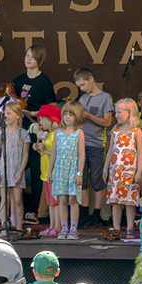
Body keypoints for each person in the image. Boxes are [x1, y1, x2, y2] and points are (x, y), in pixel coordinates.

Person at [73, 68, 113, 231]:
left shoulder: (105, 98)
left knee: (97, 179)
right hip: (81, 142)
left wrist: (89, 116)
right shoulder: (83, 98)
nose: (82, 88)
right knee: (81, 178)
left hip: (96, 143)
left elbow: (107, 122)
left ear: (91, 79)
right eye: (79, 86)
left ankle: (97, 214)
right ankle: (83, 213)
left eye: (83, 84)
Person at [104, 98, 142, 240]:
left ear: (130, 112)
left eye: (119, 112)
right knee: (115, 201)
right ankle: (116, 228)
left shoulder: (136, 132)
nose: (116, 115)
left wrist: (139, 171)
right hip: (115, 172)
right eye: (116, 112)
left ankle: (129, 228)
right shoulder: (115, 131)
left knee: (129, 201)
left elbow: (140, 153)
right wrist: (105, 169)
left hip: (129, 172)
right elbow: (110, 150)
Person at [0, 98, 30, 235]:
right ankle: (4, 226)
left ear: (18, 115)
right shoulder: (1, 132)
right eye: (4, 113)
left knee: (17, 199)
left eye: (9, 113)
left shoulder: (23, 133)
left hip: (17, 169)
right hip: (3, 169)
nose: (5, 116)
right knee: (4, 198)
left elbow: (25, 154)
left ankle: (18, 227)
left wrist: (21, 171)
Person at [47, 102, 86, 240]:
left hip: (73, 170)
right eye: (65, 114)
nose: (67, 117)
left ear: (78, 117)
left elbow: (81, 154)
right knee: (62, 199)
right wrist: (50, 171)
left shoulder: (78, 133)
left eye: (71, 114)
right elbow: (54, 153)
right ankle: (64, 228)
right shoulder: (58, 133)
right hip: (60, 170)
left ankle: (74, 229)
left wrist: (79, 173)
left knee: (73, 199)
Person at [33, 104, 61, 236]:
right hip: (46, 172)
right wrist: (40, 149)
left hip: (55, 173)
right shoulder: (47, 135)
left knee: (56, 202)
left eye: (42, 120)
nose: (40, 123)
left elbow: (58, 154)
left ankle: (58, 226)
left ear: (51, 120)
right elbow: (44, 153)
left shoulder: (56, 134)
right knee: (50, 201)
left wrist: (45, 150)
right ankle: (52, 225)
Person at [11, 44, 58, 119]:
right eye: (27, 56)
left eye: (32, 57)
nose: (29, 59)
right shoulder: (19, 79)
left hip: (36, 123)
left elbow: (53, 107)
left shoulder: (44, 81)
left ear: (39, 60)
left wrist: (31, 113)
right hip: (18, 123)